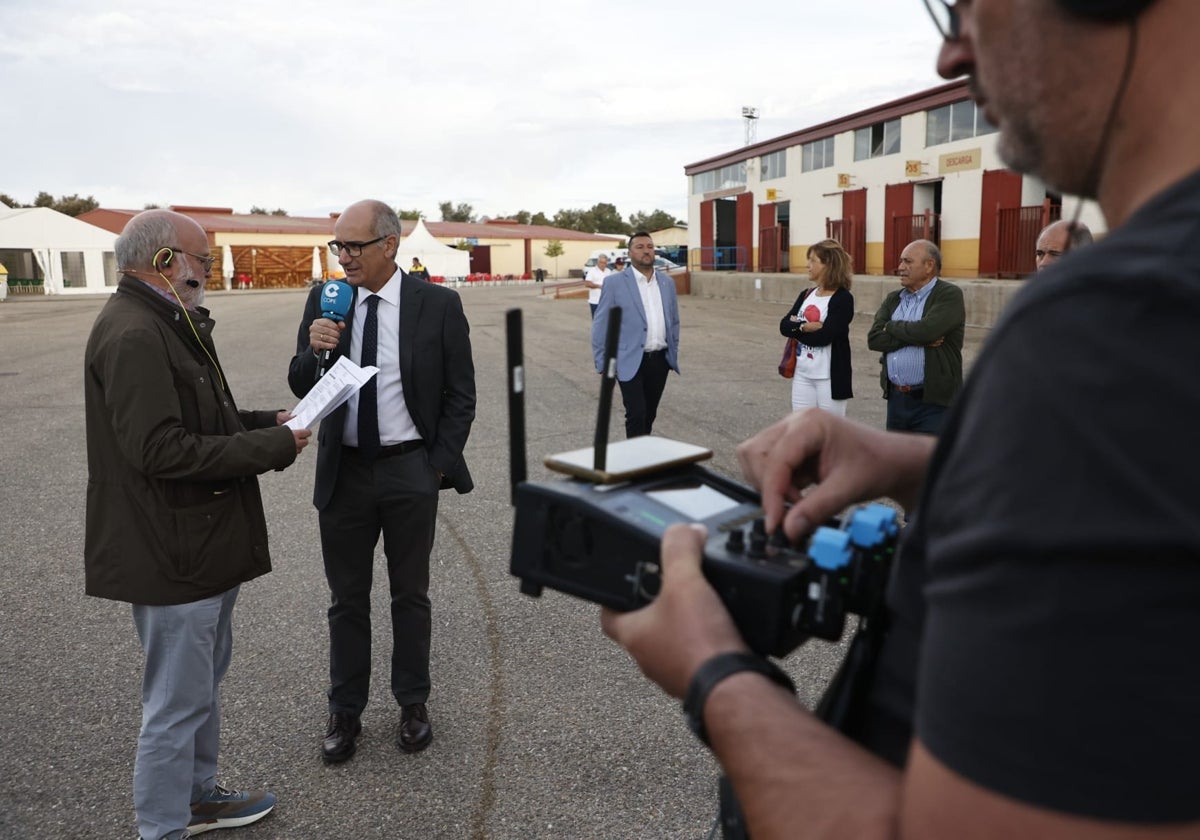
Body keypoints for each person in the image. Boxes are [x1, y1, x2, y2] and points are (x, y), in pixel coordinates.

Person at [602, 0, 1200, 836]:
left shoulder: (1115, 323)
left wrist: (713, 672)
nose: (951, 55)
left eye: (964, 6)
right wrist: (934, 468)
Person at [84, 209, 311, 840]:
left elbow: (204, 415)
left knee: (199, 690)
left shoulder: (167, 322)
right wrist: (276, 449)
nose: (209, 271)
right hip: (171, 552)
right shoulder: (134, 333)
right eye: (203, 261)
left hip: (199, 545)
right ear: (164, 261)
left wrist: (271, 420)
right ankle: (162, 826)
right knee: (175, 705)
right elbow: (160, 449)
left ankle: (198, 797)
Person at [287, 199, 476, 764]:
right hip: (343, 473)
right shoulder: (326, 300)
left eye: (353, 246)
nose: (343, 258)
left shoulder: (437, 305)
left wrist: (435, 466)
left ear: (389, 245)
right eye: (337, 247)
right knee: (346, 600)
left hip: (408, 471)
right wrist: (315, 347)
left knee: (410, 595)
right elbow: (301, 383)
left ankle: (412, 702)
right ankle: (345, 710)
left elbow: (460, 396)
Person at [866, 239, 964, 434]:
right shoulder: (894, 298)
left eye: (908, 262)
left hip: (933, 404)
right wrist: (919, 337)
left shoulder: (948, 294)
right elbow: (874, 339)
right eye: (901, 261)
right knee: (897, 462)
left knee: (929, 462)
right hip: (897, 400)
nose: (900, 267)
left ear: (929, 266)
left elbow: (928, 330)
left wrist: (891, 326)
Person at [591, 231, 681, 437]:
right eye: (640, 247)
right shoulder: (614, 283)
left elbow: (674, 321)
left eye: (649, 247)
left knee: (649, 414)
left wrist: (672, 351)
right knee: (636, 413)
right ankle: (633, 461)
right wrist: (602, 361)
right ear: (630, 253)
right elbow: (600, 324)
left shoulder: (667, 283)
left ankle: (642, 456)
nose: (646, 251)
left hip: (659, 359)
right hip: (628, 359)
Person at [779, 239, 854, 415]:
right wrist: (804, 327)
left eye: (813, 260)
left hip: (829, 378)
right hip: (803, 374)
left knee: (830, 435)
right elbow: (783, 326)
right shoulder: (807, 294)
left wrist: (796, 326)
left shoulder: (843, 299)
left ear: (829, 264)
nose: (808, 265)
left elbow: (824, 337)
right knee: (802, 430)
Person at [583, 252, 610, 318]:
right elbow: (587, 283)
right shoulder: (592, 271)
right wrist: (599, 286)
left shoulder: (608, 271)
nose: (603, 264)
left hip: (606, 301)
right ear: (598, 262)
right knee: (596, 320)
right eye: (601, 262)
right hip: (595, 301)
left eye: (604, 263)